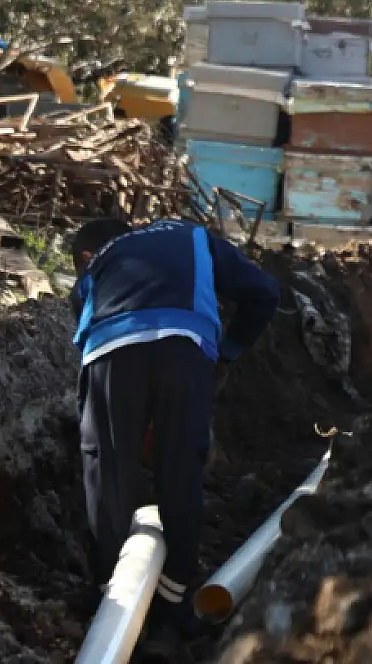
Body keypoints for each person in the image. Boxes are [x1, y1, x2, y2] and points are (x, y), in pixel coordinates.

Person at [69, 217, 281, 644]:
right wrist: (227, 352)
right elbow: (265, 292)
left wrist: (116, 424)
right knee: (180, 469)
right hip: (186, 347)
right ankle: (174, 603)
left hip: (112, 348)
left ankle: (107, 597)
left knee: (108, 469)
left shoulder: (100, 264)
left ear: (87, 255)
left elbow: (85, 332)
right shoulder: (195, 236)